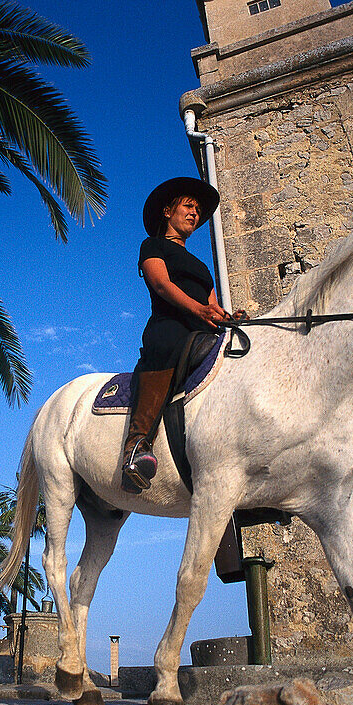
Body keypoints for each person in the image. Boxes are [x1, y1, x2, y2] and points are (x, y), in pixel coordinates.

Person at [122, 177, 238, 493]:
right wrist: (198, 311)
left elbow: (213, 305)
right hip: (170, 326)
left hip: (203, 330)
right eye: (188, 206)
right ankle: (137, 444)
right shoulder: (153, 246)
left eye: (199, 210)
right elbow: (161, 284)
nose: (195, 214)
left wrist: (226, 317)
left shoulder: (201, 266)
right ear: (167, 211)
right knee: (168, 342)